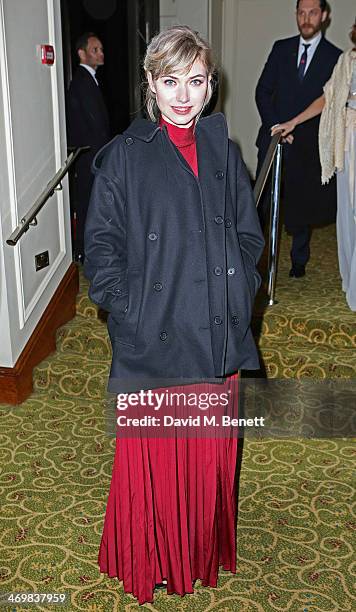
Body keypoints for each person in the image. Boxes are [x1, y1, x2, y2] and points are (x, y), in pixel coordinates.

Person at [83, 26, 264, 605]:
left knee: (206, 460)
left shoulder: (222, 149)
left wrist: (241, 289)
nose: (183, 96)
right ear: (150, 87)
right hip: (156, 336)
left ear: (210, 87)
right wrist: (128, 306)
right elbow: (102, 249)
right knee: (157, 466)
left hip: (212, 334)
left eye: (195, 82)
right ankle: (152, 557)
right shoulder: (124, 158)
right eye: (170, 82)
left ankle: (197, 555)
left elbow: (248, 235)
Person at [272, 21, 356, 311]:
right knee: (348, 215)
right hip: (347, 144)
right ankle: (351, 281)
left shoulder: (338, 56)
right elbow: (327, 98)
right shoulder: (347, 60)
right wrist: (292, 122)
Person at [255, 0, 342, 278]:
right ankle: (252, 260)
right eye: (301, 13)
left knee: (302, 207)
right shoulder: (281, 49)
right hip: (273, 138)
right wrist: (277, 127)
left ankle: (298, 262)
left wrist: (296, 130)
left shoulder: (335, 58)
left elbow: (329, 105)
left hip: (308, 145)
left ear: (324, 16)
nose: (306, 19)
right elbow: (262, 91)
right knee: (261, 205)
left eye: (312, 13)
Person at [67, 32, 110, 263]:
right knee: (86, 202)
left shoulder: (89, 79)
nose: (100, 53)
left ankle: (89, 247)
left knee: (92, 202)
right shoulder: (81, 81)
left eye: (101, 49)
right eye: (95, 49)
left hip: (93, 154)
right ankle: (82, 249)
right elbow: (92, 126)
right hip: (87, 156)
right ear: (82, 54)